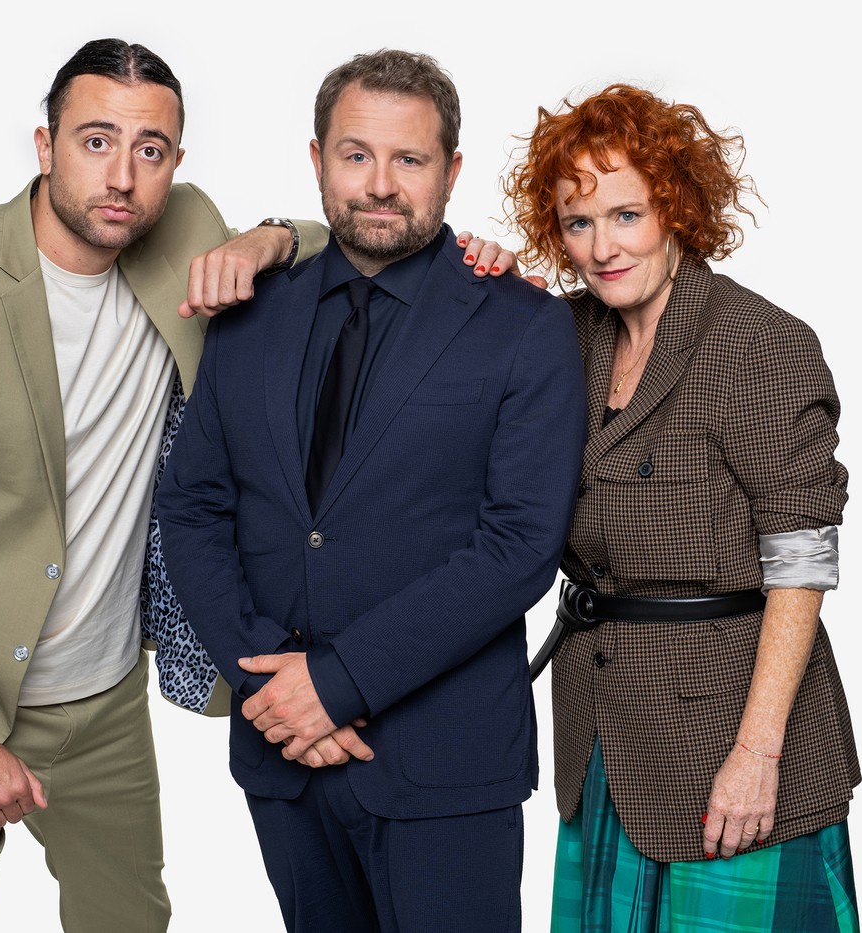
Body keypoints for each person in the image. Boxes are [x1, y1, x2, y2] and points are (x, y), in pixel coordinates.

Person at [0, 37, 515, 933]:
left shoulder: (185, 230)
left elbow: (349, 237)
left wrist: (275, 239)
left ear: (176, 163)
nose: (122, 176)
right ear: (45, 146)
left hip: (104, 703)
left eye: (150, 150)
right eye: (95, 141)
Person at [155, 49, 587, 933]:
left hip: (443, 762)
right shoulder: (250, 313)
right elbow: (193, 506)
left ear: (451, 172)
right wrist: (269, 685)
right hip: (282, 754)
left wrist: (339, 681)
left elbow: (518, 548)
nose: (381, 185)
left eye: (409, 159)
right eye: (357, 156)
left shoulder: (525, 324)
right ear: (318, 160)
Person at [505, 83, 860, 931]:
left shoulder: (759, 343)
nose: (602, 247)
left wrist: (757, 752)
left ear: (676, 208)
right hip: (602, 738)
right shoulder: (564, 336)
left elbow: (803, 559)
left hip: (734, 740)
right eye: (578, 222)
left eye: (626, 215)